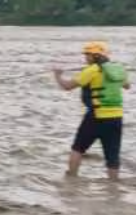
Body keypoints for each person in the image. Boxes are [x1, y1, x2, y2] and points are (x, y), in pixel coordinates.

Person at [54, 41, 130, 181]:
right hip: (116, 117)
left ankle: (71, 180)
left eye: (87, 54)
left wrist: (58, 75)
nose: (85, 57)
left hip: (96, 116)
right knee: (112, 155)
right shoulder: (119, 68)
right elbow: (127, 85)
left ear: (95, 56)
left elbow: (67, 86)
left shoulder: (91, 70)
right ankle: (113, 187)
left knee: (78, 148)